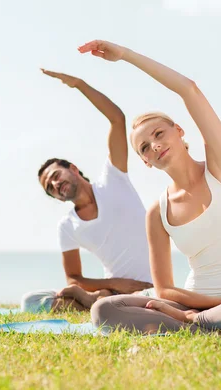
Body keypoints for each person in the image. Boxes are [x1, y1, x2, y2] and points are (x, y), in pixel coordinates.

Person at [79, 40, 221, 334]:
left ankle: (202, 325)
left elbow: (189, 89)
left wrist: (126, 56)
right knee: (104, 309)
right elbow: (165, 289)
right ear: (145, 161)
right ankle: (218, 324)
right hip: (194, 304)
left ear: (179, 131)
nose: (155, 145)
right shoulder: (158, 212)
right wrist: (211, 304)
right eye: (144, 147)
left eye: (159, 133)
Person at [20, 69, 153, 313]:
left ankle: (92, 301)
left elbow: (117, 119)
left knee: (141, 302)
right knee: (29, 301)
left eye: (55, 176)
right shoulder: (68, 226)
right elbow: (73, 278)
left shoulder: (114, 179)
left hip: (151, 286)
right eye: (50, 188)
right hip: (116, 289)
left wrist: (80, 84)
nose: (55, 185)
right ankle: (96, 299)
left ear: (73, 168)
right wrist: (115, 283)